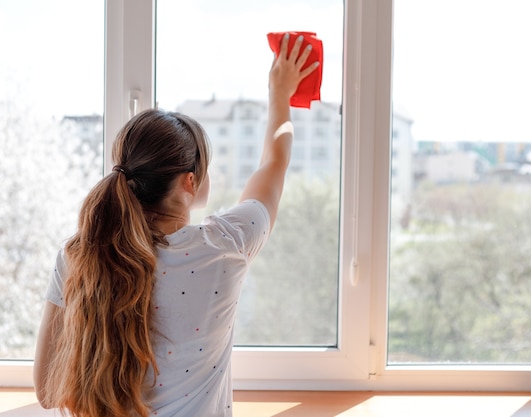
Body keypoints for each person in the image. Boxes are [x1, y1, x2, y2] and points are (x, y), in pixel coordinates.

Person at [33, 33, 319, 417]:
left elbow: (48, 391)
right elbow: (274, 165)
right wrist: (280, 94)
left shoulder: (79, 255)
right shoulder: (225, 245)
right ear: (190, 181)